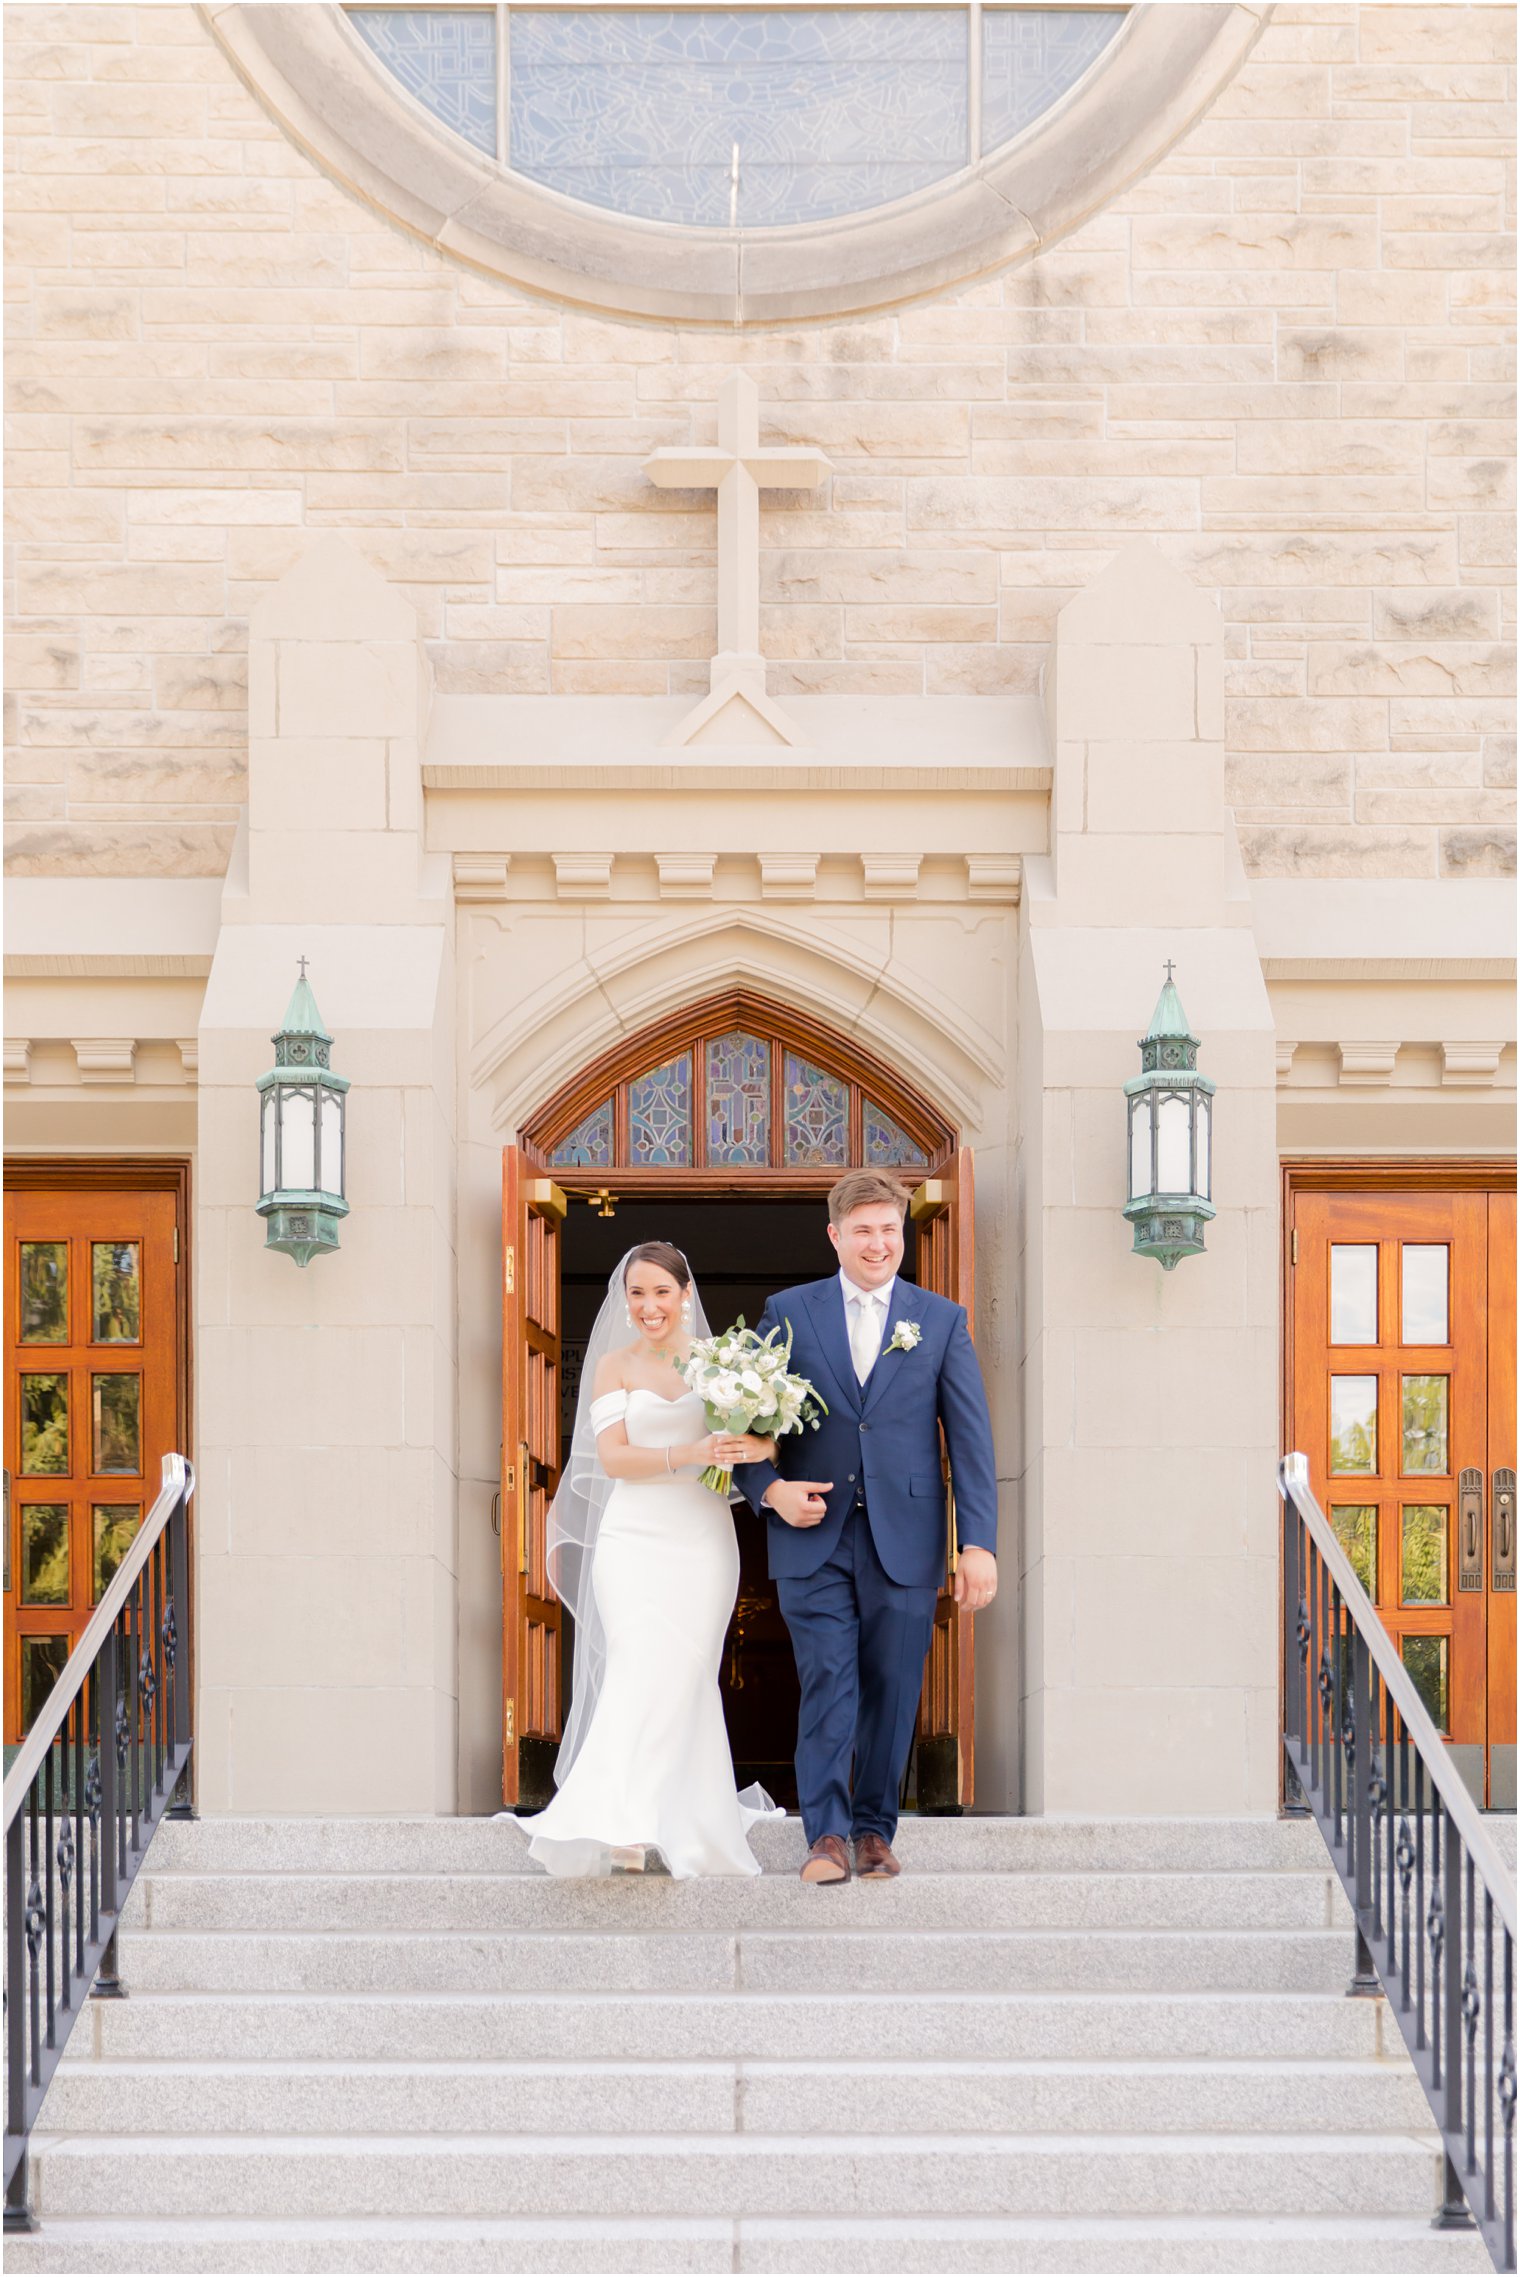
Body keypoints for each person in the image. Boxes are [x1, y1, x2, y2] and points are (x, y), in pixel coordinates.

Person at [736, 1170, 998, 1884]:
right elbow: (736, 1422)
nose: (878, 1243)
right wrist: (770, 1491)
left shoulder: (940, 1319)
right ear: (835, 1236)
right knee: (827, 1679)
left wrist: (977, 1542)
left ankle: (875, 1830)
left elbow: (970, 1440)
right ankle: (825, 1833)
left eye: (889, 1229)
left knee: (891, 1684)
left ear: (902, 1234)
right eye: (863, 1231)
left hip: (906, 1536)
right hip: (811, 1533)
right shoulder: (787, 1312)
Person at [507, 1241, 781, 1879]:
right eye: (637, 1293)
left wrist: (750, 1439)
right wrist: (692, 1451)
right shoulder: (613, 1366)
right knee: (637, 1666)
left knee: (688, 1675)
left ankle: (689, 1817)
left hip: (704, 1539)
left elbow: (764, 1440)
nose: (649, 1305)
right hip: (632, 1539)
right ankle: (621, 1820)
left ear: (686, 1294)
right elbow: (613, 1460)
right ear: (624, 1301)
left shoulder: (725, 1364)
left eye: (662, 1291)